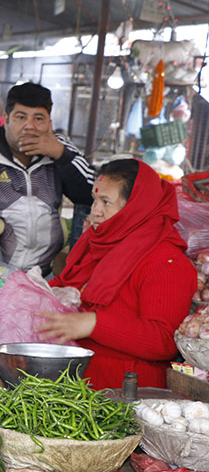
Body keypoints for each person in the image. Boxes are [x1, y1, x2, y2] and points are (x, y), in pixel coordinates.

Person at [36, 159, 196, 390]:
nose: (95, 211)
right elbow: (70, 285)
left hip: (124, 394)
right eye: (95, 199)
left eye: (106, 202)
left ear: (135, 207)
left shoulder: (167, 262)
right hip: (75, 380)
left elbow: (163, 340)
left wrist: (94, 323)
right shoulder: (99, 242)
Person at [0, 82, 94, 273]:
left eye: (38, 118)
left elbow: (92, 192)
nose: (29, 126)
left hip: (43, 272)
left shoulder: (60, 148)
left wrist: (61, 155)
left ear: (49, 123)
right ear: (6, 120)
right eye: (20, 117)